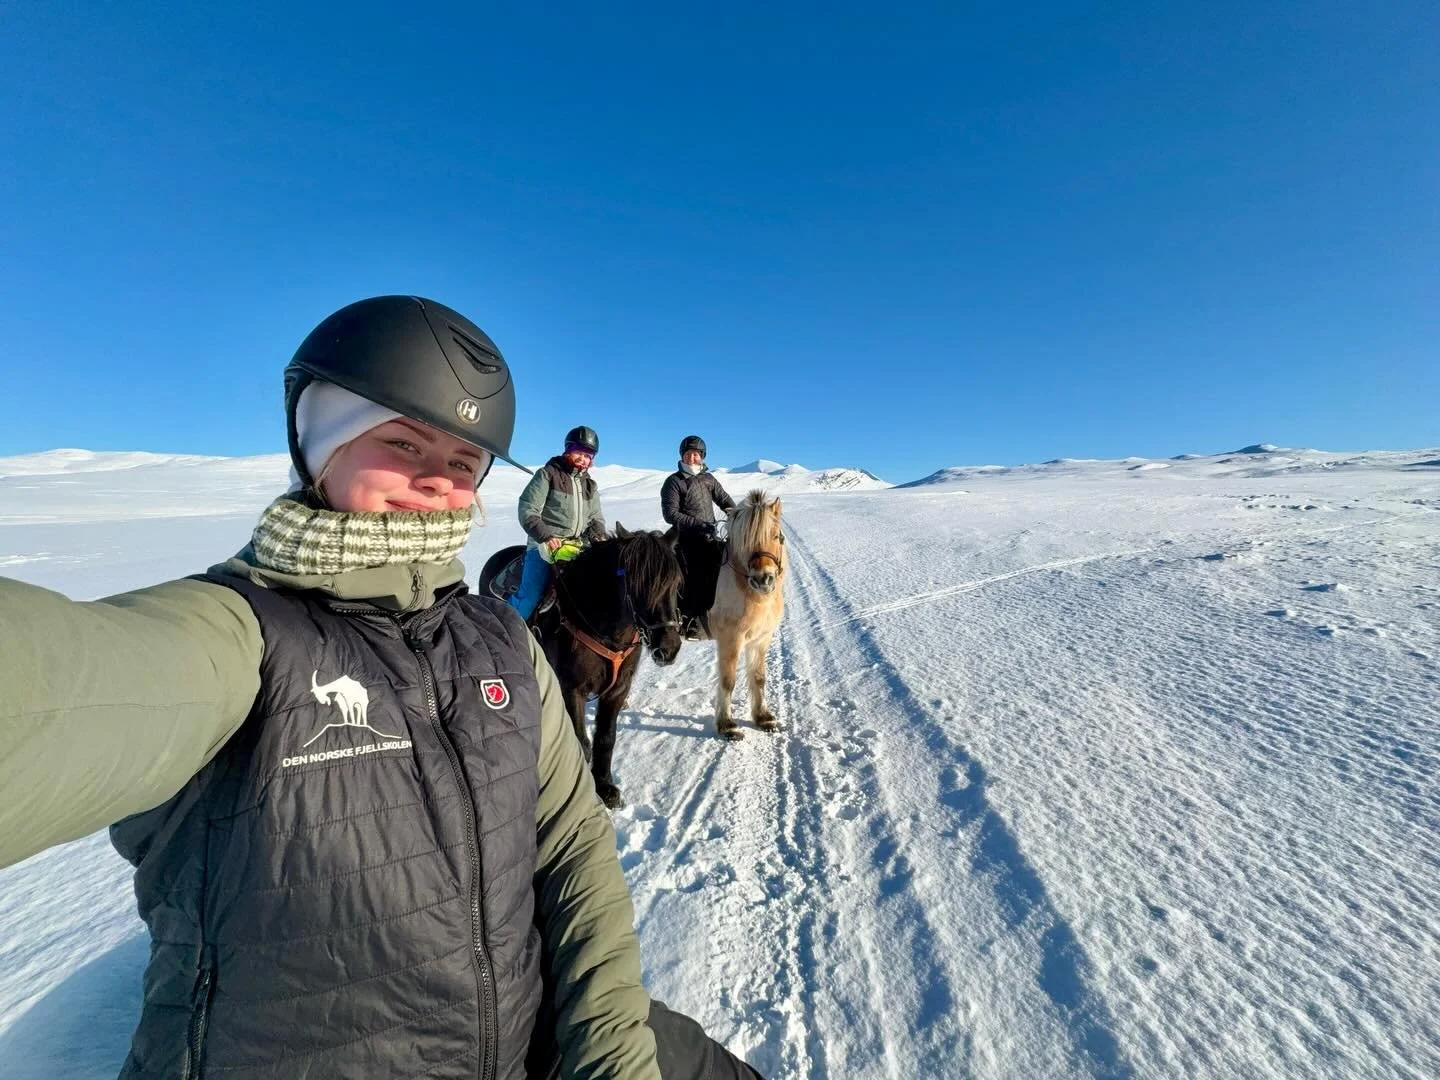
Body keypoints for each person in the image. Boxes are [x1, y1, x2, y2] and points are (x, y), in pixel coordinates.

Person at [0, 296, 759, 1080]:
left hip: (529, 1019)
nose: (439, 481)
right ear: (320, 443)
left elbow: (571, 850)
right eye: (402, 442)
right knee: (541, 588)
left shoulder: (498, 639)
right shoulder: (235, 639)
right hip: (548, 550)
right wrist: (556, 539)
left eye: (465, 463)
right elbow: (68, 682)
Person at [510, 425, 606, 621]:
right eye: (578, 451)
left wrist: (598, 535)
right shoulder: (547, 474)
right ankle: (505, 631)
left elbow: (596, 517)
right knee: (530, 596)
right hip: (543, 546)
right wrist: (546, 536)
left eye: (588, 455)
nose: (583, 458)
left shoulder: (590, 485)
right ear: (567, 450)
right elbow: (527, 509)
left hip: (575, 547)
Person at [661, 436, 735, 638]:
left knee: (726, 568)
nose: (692, 458)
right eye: (688, 454)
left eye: (696, 454)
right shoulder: (674, 482)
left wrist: (737, 516)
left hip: (709, 537)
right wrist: (697, 524)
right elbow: (670, 513)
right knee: (694, 576)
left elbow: (724, 500)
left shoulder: (709, 479)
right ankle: (691, 620)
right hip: (685, 539)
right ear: (682, 456)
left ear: (702, 457)